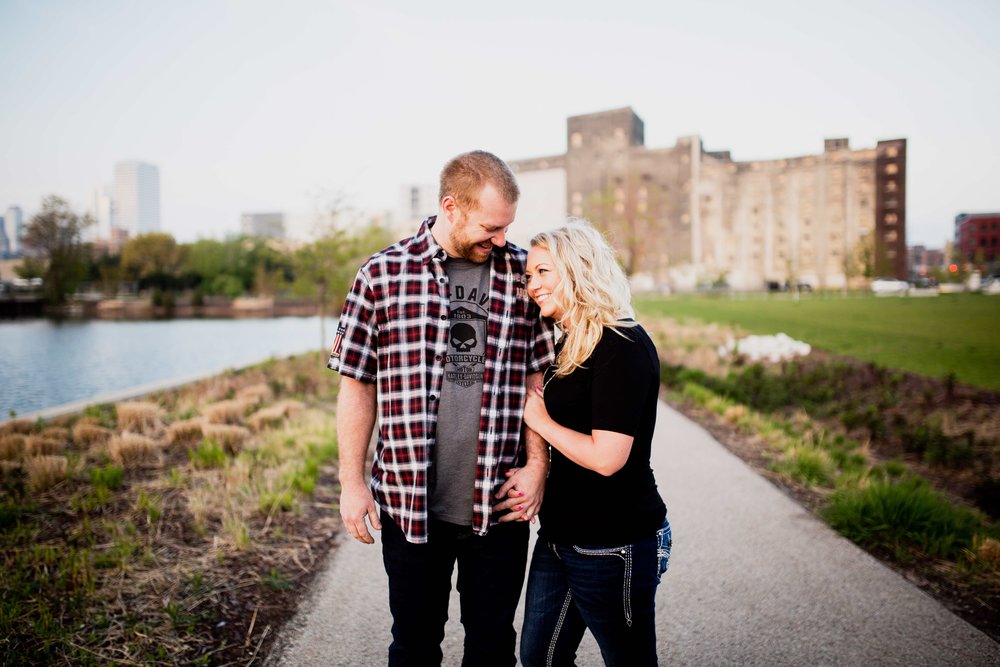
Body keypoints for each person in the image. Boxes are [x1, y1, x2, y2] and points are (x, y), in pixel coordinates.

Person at [328, 150, 556, 666]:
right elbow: (356, 385)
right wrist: (351, 483)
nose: (500, 240)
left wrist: (538, 465)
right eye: (490, 227)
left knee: (493, 645)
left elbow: (539, 373)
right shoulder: (381, 275)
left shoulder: (524, 274)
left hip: (499, 506)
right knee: (413, 645)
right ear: (450, 207)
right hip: (410, 504)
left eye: (506, 228)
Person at [518, 220, 671, 667]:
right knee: (540, 659)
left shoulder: (620, 345)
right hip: (560, 537)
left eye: (544, 272)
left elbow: (607, 459)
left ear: (579, 269)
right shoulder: (571, 344)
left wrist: (540, 421)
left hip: (614, 542)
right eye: (529, 275)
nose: (533, 286)